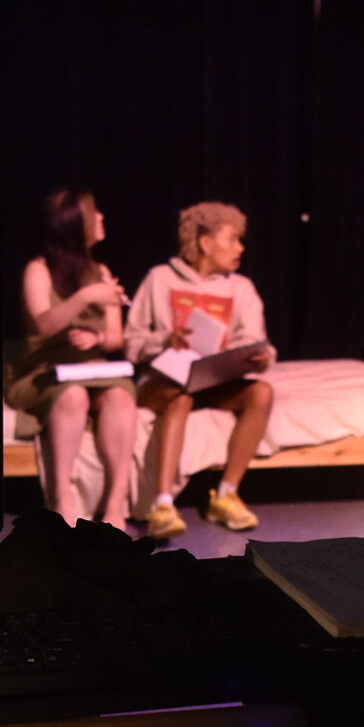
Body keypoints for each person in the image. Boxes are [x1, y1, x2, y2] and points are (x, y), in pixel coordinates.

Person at [124, 201, 277, 536]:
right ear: (206, 242)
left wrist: (260, 358)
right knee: (180, 398)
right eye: (233, 239)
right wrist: (166, 339)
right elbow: (131, 341)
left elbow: (256, 340)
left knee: (261, 393)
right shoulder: (161, 278)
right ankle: (162, 505)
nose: (241, 247)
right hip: (167, 381)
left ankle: (226, 495)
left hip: (214, 380)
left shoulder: (241, 288)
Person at [8, 187, 139, 530]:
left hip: (94, 368)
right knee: (73, 394)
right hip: (45, 370)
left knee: (121, 394)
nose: (101, 218)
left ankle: (116, 502)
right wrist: (85, 297)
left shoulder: (102, 271)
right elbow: (43, 324)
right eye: (93, 213)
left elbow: (116, 337)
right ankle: (62, 497)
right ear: (74, 225)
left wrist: (96, 337)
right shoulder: (38, 270)